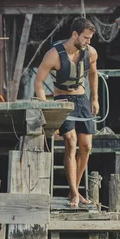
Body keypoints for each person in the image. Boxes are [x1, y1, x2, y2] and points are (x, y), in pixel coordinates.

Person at [33, 17, 99, 207]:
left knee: (86, 146)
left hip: (82, 99)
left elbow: (93, 74)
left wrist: (95, 98)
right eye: (86, 38)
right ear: (75, 34)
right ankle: (76, 194)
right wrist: (48, 110)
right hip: (62, 99)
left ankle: (74, 192)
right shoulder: (54, 54)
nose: (88, 42)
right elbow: (38, 82)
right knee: (71, 142)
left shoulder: (91, 52)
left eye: (90, 39)